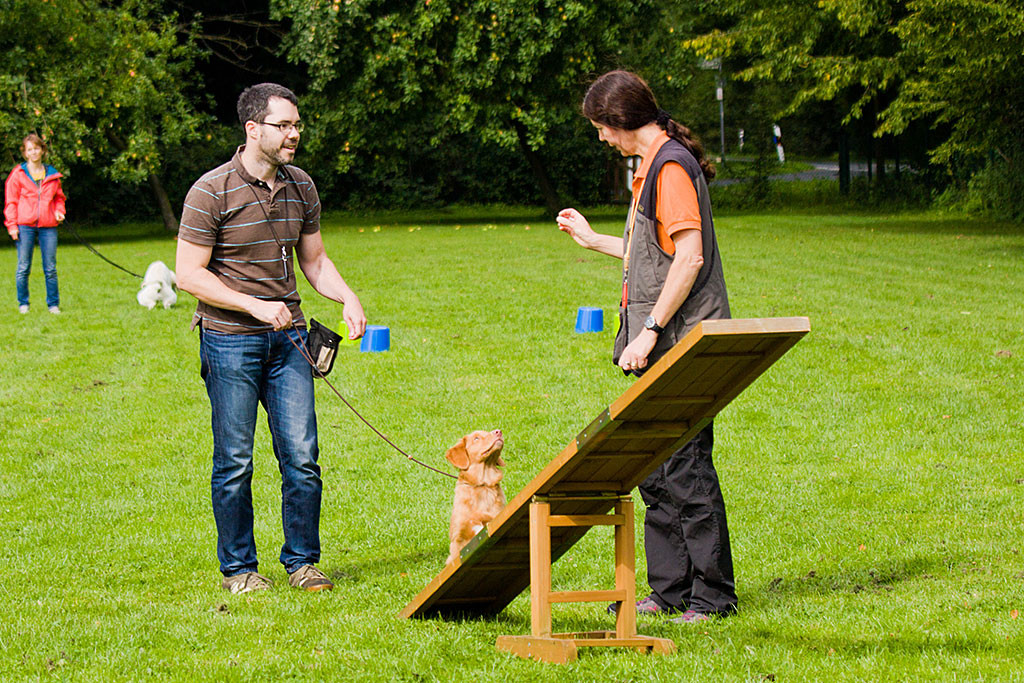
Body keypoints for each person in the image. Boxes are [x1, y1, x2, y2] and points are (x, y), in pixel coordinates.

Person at [556, 70, 736, 624]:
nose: (601, 137)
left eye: (600, 127)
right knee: (655, 469)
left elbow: (690, 257)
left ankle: (712, 597)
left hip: (683, 340)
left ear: (620, 120)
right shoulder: (648, 168)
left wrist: (651, 329)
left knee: (686, 467)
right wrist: (592, 240)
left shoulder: (671, 167)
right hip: (661, 340)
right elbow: (651, 252)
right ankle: (670, 590)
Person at [176, 83, 367, 594]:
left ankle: (303, 563)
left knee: (302, 457)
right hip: (229, 340)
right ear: (252, 128)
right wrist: (255, 305)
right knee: (235, 461)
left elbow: (315, 260)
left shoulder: (301, 185)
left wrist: (347, 297)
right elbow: (188, 275)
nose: (294, 134)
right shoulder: (210, 191)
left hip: (290, 343)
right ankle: (239, 570)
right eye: (283, 125)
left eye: (297, 125)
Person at [4, 134, 67, 314]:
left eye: (36, 148)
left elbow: (59, 198)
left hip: (48, 226)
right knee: (23, 267)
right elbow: (11, 202)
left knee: (50, 268)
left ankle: (53, 305)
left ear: (42, 150)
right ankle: (23, 304)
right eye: (29, 149)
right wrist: (12, 226)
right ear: (25, 153)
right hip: (24, 226)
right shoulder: (18, 174)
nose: (33, 152)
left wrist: (59, 211)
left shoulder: (52, 174)